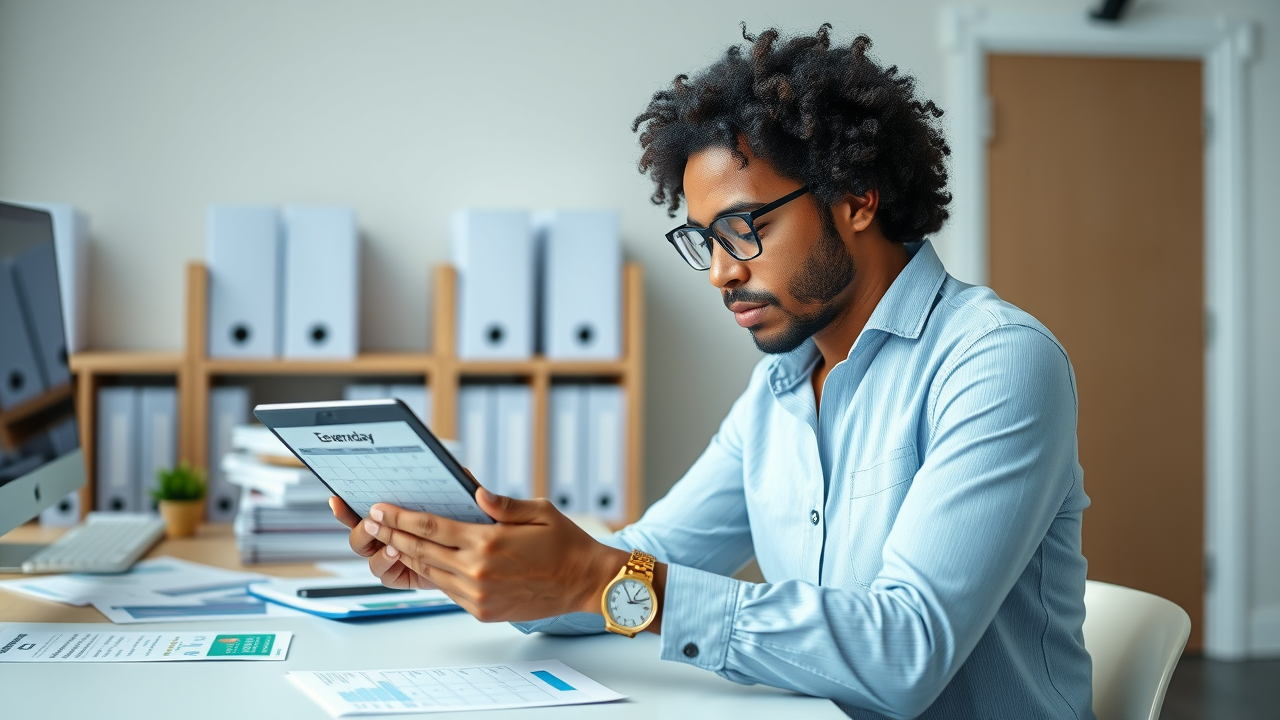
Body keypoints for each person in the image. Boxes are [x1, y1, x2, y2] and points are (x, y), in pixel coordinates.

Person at [331, 24, 1093, 720]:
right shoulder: (781, 389)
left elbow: (906, 652)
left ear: (858, 197)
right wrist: (471, 555)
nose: (721, 272)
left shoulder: (995, 362)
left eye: (744, 228)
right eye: (704, 240)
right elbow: (645, 558)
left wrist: (601, 579)